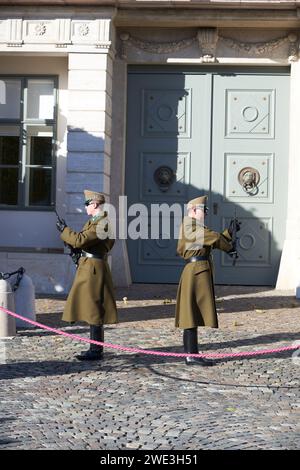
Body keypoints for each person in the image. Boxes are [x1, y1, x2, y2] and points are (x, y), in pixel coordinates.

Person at [175, 195, 239, 366]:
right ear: (194, 210)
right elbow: (213, 238)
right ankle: (190, 355)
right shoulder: (190, 226)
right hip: (195, 272)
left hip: (198, 272)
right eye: (204, 210)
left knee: (193, 314)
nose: (206, 213)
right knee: (190, 315)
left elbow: (212, 238)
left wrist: (229, 233)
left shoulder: (195, 226)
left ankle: (192, 353)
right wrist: (229, 246)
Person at [56, 190, 118, 361]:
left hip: (94, 269)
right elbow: (82, 243)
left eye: (87, 204)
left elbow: (81, 240)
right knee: (90, 306)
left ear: (95, 204)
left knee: (94, 308)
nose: (85, 207)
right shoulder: (93, 221)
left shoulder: (102, 223)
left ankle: (96, 350)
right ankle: (94, 348)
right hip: (89, 266)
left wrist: (64, 231)